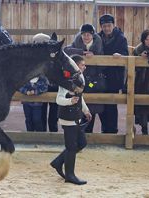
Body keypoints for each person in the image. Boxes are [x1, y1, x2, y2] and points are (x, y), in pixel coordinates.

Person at [50, 54, 91, 185]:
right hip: (68, 118)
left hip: (77, 116)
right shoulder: (66, 81)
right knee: (71, 146)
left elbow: (80, 97)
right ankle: (70, 175)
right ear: (75, 66)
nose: (84, 66)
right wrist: (70, 101)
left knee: (81, 143)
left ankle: (58, 162)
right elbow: (58, 99)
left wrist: (86, 110)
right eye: (82, 65)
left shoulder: (80, 78)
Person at [69, 24, 104, 133]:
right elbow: (66, 49)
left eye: (88, 34)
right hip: (80, 79)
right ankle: (81, 132)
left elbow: (102, 63)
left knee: (92, 105)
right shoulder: (77, 43)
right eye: (84, 34)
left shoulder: (98, 44)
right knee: (79, 105)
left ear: (92, 35)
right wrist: (82, 52)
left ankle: (89, 132)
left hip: (93, 81)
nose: (86, 37)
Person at [98, 14, 129, 133]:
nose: (106, 28)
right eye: (104, 26)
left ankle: (112, 130)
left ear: (113, 25)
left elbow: (125, 53)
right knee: (100, 102)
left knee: (111, 103)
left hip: (114, 77)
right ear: (101, 26)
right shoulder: (98, 37)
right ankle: (104, 129)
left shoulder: (121, 38)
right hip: (100, 77)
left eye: (109, 25)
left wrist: (120, 56)